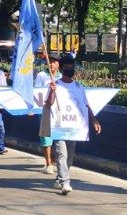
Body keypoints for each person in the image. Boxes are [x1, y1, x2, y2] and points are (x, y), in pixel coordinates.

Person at [45, 56, 101, 195]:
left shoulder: (78, 87)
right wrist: (52, 91)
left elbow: (86, 105)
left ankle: (59, 179)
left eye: (72, 66)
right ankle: (65, 182)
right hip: (59, 127)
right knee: (61, 155)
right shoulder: (55, 85)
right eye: (67, 66)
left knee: (69, 158)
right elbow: (48, 104)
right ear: (62, 68)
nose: (70, 69)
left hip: (75, 127)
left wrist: (94, 120)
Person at [35, 56, 60, 173]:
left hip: (59, 111)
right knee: (46, 137)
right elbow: (36, 92)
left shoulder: (62, 76)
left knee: (58, 136)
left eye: (54, 63)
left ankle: (56, 159)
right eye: (49, 63)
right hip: (45, 109)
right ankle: (48, 163)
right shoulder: (41, 75)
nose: (51, 65)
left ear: (58, 64)